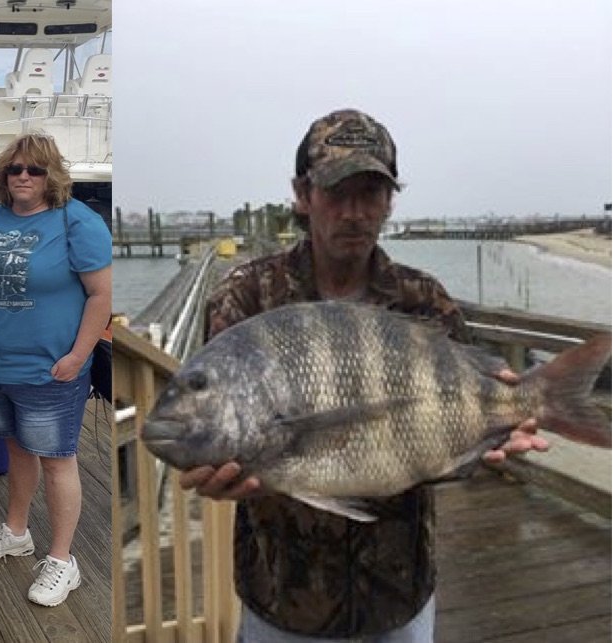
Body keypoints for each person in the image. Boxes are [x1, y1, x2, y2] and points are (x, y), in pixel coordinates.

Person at [179, 109, 547, 642]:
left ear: (390, 202)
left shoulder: (425, 301)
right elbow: (232, 427)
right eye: (335, 191)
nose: (353, 213)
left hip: (398, 596)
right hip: (282, 599)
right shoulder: (247, 297)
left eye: (370, 193)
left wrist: (493, 426)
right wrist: (219, 472)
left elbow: (433, 438)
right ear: (303, 195)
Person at [0, 134, 112, 607]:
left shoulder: (76, 222)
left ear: (52, 176)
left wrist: (77, 356)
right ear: (3, 177)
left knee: (56, 460)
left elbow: (102, 295)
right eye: (15, 170)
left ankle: (62, 559)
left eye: (35, 170)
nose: (24, 177)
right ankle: (16, 531)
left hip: (53, 371)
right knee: (16, 451)